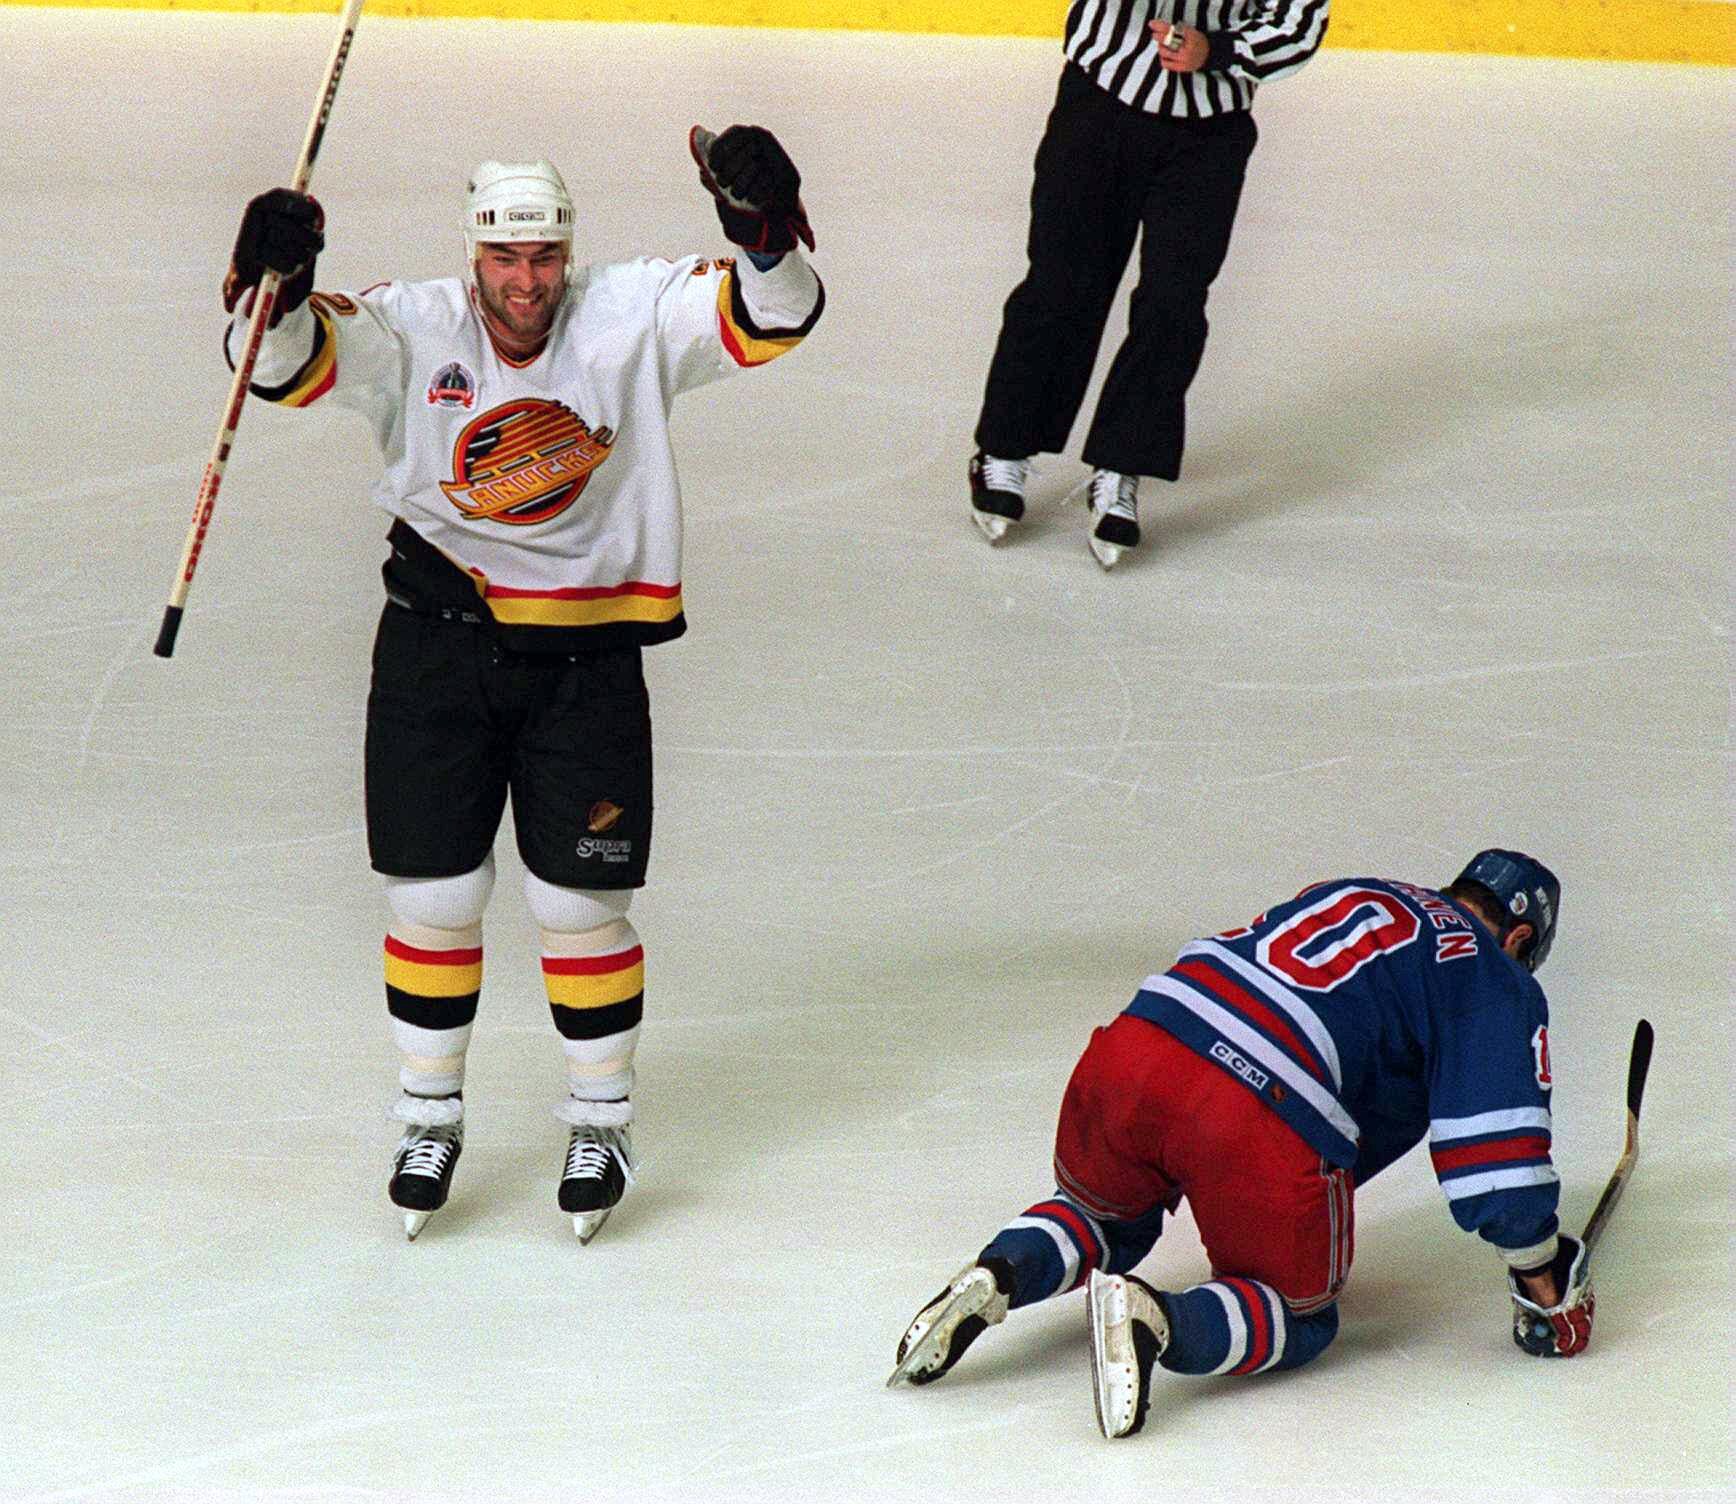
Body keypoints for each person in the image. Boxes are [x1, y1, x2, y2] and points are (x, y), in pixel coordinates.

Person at [219, 126, 823, 1242]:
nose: (527, 282)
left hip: (588, 657)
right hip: (434, 650)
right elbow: (275, 361)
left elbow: (773, 312)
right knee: (433, 899)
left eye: (544, 256)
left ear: (566, 251)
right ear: (473, 256)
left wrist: (761, 231)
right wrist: (279, 279)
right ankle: (427, 1110)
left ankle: (600, 1115)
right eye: (506, 260)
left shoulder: (630, 312)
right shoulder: (413, 326)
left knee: (579, 905)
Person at [888, 850, 1593, 1437]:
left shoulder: (1360, 892)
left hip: (1136, 1048)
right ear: (1521, 940)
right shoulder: (1493, 974)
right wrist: (1542, 1276)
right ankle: (1156, 1320)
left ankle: (1001, 1271)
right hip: (1254, 1104)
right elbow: (1497, 1164)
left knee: (1107, 1217)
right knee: (1299, 1315)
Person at [967, 1, 1330, 568]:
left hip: (1211, 132)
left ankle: (1120, 465)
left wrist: (1220, 49)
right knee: (1063, 282)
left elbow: (1299, 25)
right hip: (1100, 102)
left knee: (1174, 302)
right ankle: (1006, 445)